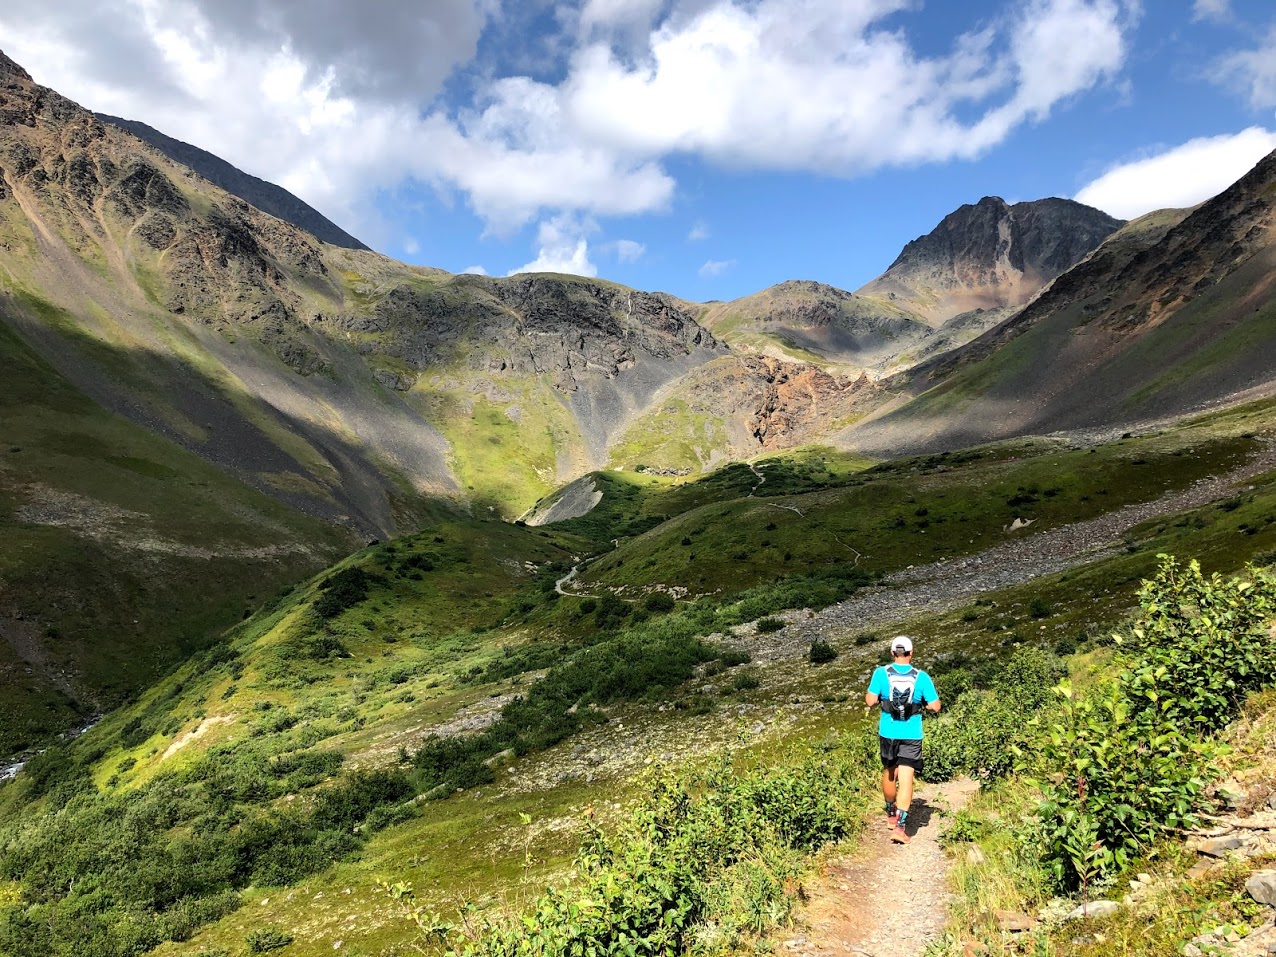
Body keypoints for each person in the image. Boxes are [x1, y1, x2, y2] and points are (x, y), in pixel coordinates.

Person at [864, 635, 941, 844]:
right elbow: (936, 706)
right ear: (911, 653)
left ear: (892, 653)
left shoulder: (881, 673)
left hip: (888, 732)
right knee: (906, 776)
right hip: (911, 734)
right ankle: (900, 827)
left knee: (889, 772)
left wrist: (880, 697)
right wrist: (924, 705)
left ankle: (890, 814)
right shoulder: (921, 677)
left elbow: (870, 701)